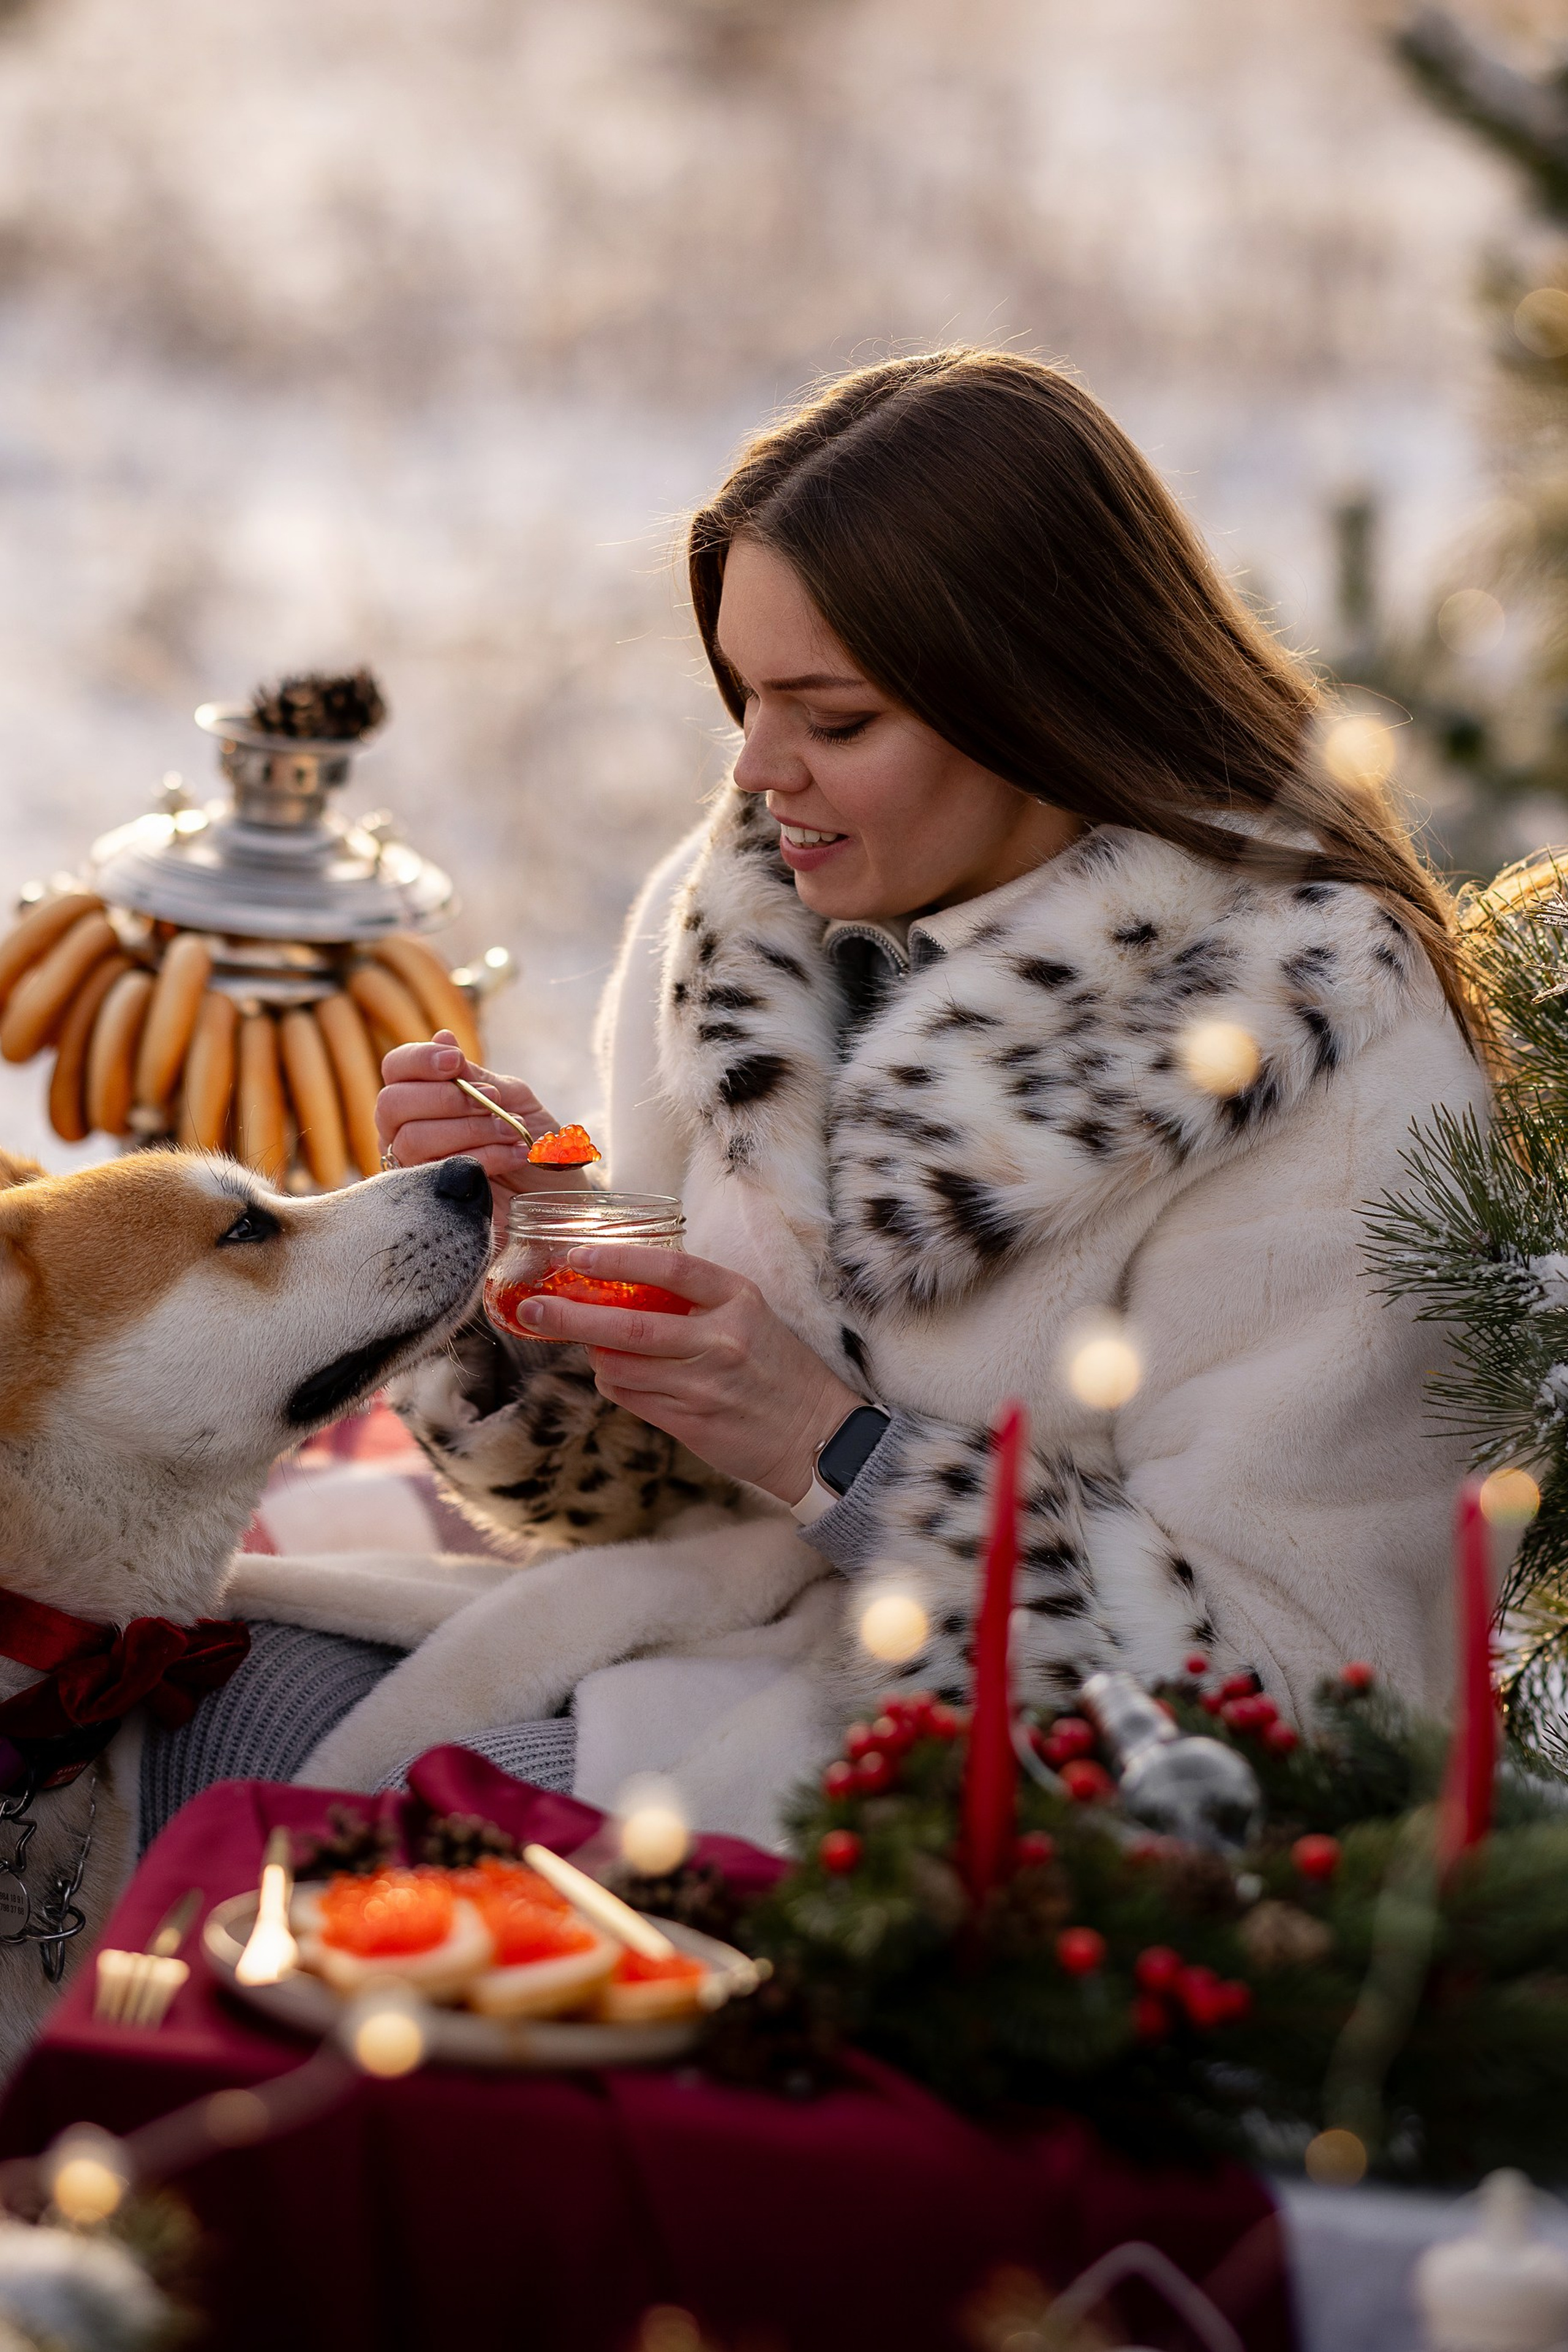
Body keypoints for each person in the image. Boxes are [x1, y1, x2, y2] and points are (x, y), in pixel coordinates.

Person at [284, 350, 1485, 1839]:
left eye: (832, 718)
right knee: (135, 1687)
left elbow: (1314, 1710)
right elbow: (635, 1496)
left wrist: (835, 1453)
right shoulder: (748, 914)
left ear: (1037, 698)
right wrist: (537, 1259)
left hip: (1008, 1833)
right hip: (686, 1644)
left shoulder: (1307, 1056)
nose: (754, 766)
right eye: (741, 694)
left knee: (245, 1811)